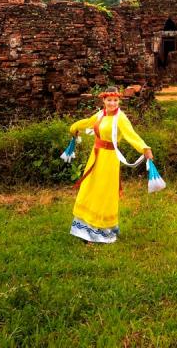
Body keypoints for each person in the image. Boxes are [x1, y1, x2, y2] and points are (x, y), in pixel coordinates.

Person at [68, 85, 153, 243]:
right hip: (96, 157)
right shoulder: (101, 114)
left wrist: (144, 148)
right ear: (104, 101)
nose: (112, 103)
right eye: (109, 100)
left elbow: (131, 135)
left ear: (118, 100)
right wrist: (74, 127)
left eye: (115, 100)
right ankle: (86, 227)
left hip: (109, 160)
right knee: (90, 188)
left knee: (103, 192)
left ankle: (100, 230)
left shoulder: (120, 118)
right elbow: (88, 122)